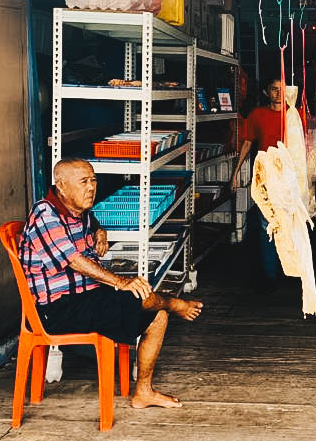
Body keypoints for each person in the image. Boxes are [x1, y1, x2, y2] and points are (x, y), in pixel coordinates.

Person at [20, 158, 202, 409]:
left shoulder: (77, 211)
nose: (91, 187)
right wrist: (120, 282)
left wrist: (100, 231)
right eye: (83, 182)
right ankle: (174, 303)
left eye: (93, 180)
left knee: (157, 317)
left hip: (86, 298)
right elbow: (74, 261)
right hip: (56, 310)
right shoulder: (45, 214)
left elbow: (91, 220)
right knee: (141, 296)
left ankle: (143, 392)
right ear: (61, 187)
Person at [231, 77, 304, 286]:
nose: (278, 93)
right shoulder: (257, 115)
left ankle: (291, 268)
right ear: (266, 92)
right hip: (266, 174)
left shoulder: (294, 115)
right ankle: (270, 272)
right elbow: (247, 144)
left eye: (282, 90)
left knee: (291, 222)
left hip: (290, 174)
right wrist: (235, 173)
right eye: (274, 89)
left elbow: (304, 145)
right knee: (267, 223)